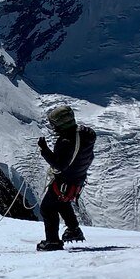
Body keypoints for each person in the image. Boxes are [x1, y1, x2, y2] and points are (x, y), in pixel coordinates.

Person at [37, 105, 96, 251]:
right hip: (77, 181)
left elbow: (58, 165)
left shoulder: (64, 142)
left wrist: (44, 150)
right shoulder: (87, 134)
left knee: (47, 207)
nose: (53, 127)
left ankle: (52, 241)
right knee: (62, 203)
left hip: (64, 181)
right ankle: (73, 229)